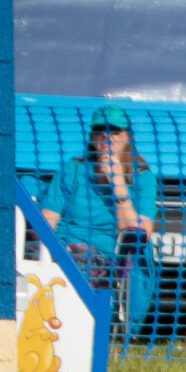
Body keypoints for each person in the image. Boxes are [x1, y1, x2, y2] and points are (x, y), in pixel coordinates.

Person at [40, 106, 159, 275]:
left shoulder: (144, 179)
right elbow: (46, 221)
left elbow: (137, 237)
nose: (106, 136)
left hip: (104, 260)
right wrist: (55, 248)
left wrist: (117, 182)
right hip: (60, 249)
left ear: (128, 136)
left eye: (115, 131)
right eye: (99, 130)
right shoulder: (73, 169)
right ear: (92, 136)